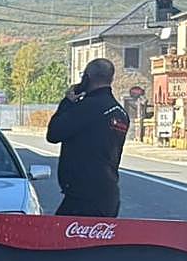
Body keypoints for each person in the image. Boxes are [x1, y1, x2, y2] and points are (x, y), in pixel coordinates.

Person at [45, 57, 130, 217]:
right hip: (109, 192)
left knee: (59, 232)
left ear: (87, 78)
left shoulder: (87, 107)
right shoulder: (121, 113)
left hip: (83, 195)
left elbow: (54, 134)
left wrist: (67, 102)